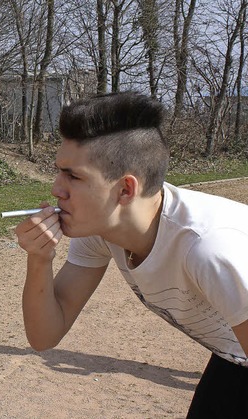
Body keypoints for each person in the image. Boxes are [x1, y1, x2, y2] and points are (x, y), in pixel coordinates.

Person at [15, 91, 248, 418]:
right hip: (233, 356)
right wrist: (39, 260)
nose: (56, 188)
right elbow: (44, 336)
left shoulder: (208, 249)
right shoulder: (101, 231)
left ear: (125, 189)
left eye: (73, 176)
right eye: (59, 171)